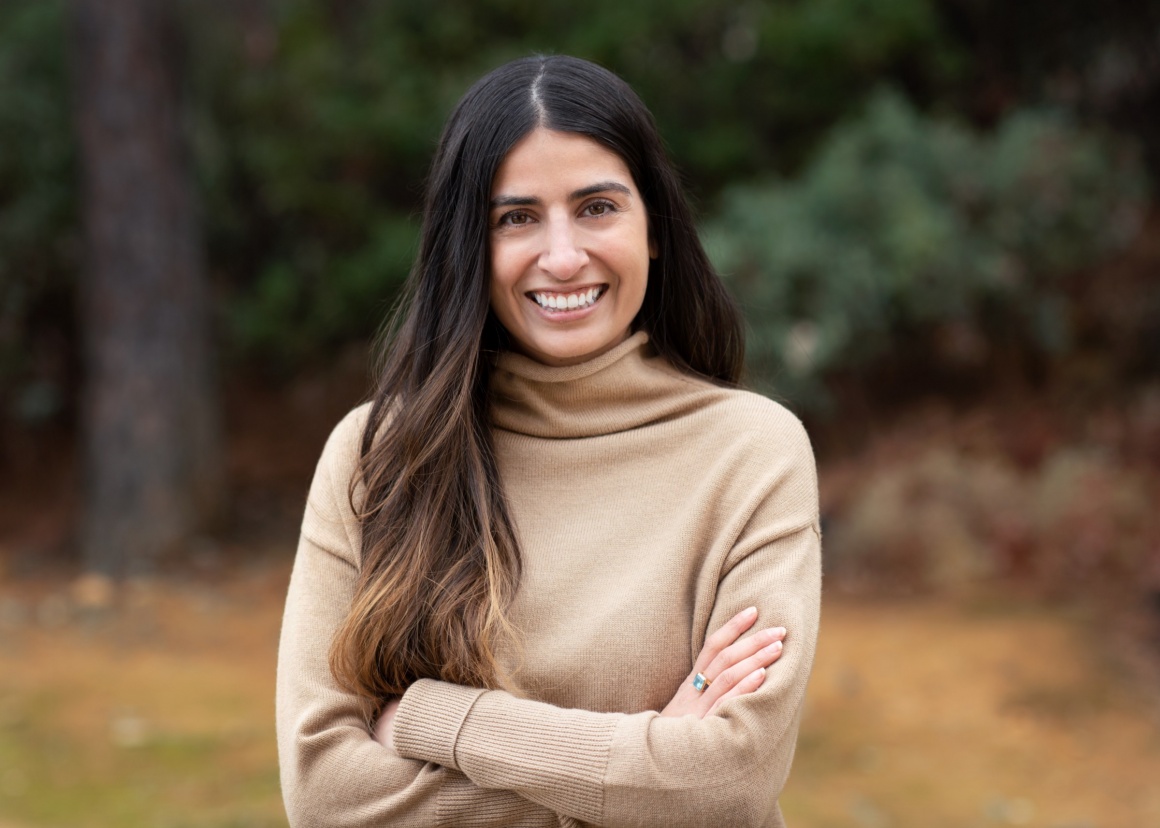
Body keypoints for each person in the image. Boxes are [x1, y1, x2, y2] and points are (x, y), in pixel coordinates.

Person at [276, 54, 821, 828]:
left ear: (655, 228)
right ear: (469, 246)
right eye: (517, 217)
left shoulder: (752, 453)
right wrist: (644, 771)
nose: (563, 256)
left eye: (597, 207)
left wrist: (435, 721)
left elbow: (730, 784)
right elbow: (326, 797)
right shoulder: (377, 459)